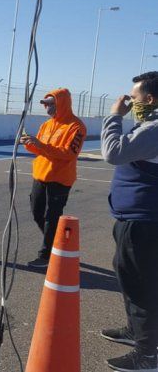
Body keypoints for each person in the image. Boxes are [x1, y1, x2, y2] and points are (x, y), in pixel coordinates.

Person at [99, 71, 158, 372]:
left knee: (140, 285)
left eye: (134, 98)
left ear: (150, 99)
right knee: (131, 278)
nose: (130, 103)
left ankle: (147, 354)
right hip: (136, 217)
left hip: (142, 219)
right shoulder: (149, 127)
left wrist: (113, 117)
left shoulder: (155, 129)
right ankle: (137, 332)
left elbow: (113, 152)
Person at [19, 88, 86, 268]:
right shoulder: (46, 125)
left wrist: (42, 145)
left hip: (60, 178)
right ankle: (58, 244)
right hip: (41, 175)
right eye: (45, 104)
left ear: (61, 103)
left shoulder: (76, 126)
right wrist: (29, 144)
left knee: (52, 216)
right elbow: (40, 150)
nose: (47, 107)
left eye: (50, 104)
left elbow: (69, 153)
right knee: (36, 212)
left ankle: (46, 254)